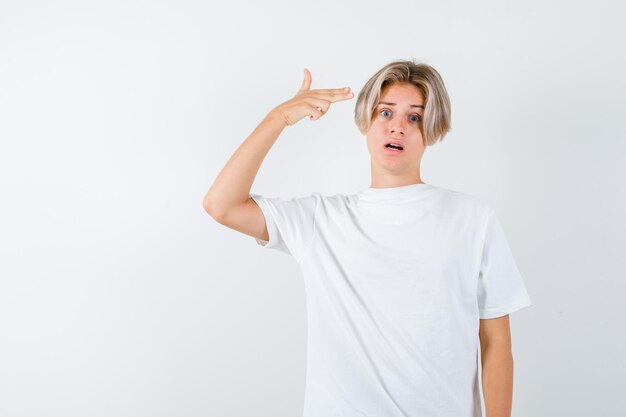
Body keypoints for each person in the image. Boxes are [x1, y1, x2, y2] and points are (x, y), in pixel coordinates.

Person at [203, 59, 533, 417]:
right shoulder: (321, 221)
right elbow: (222, 205)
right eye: (386, 113)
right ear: (366, 122)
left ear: (432, 129)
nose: (398, 128)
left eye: (415, 117)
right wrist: (278, 118)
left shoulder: (472, 219)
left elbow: (496, 342)